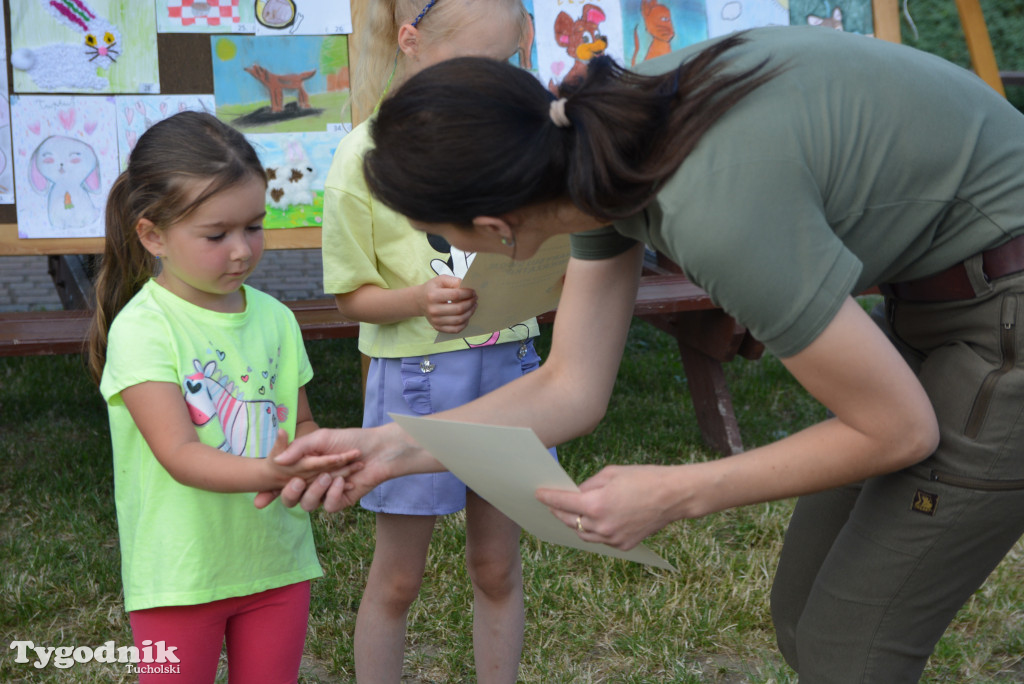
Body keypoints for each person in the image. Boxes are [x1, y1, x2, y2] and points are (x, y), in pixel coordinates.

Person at [271, 26, 1024, 682]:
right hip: (942, 300)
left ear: (493, 226)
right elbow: (571, 387)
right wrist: (386, 447)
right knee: (803, 621)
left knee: (847, 651)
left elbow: (895, 432)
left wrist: (676, 493)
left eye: (442, 237)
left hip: (1002, 310)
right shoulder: (593, 150)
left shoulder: (711, 204)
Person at [87, 111, 357, 683]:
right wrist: (273, 471)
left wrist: (322, 461)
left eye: (254, 227)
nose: (241, 251)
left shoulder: (278, 319)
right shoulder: (144, 329)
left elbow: (301, 422)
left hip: (278, 566)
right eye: (217, 235)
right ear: (153, 234)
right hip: (180, 575)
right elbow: (180, 454)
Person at [319, 1, 546, 682]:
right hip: (415, 379)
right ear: (411, 42)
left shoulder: (514, 139)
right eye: (477, 62)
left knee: (497, 565)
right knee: (397, 580)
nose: (493, 82)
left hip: (512, 372)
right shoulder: (362, 154)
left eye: (506, 64)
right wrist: (418, 300)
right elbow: (351, 296)